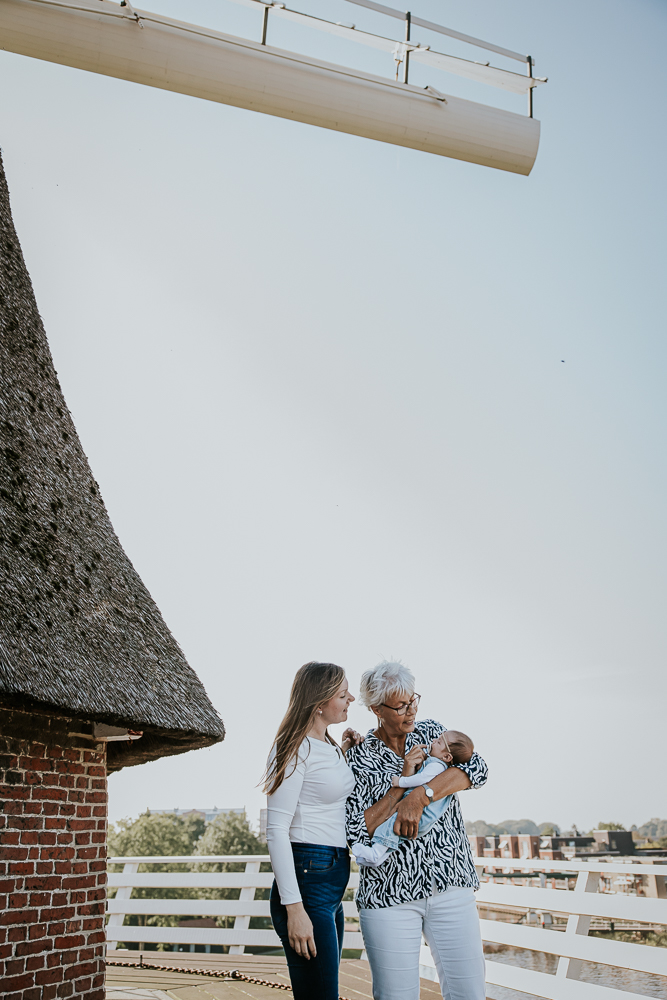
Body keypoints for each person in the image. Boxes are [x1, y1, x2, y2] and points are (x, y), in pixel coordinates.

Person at [345, 661, 488, 1000]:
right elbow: (355, 828)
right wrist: (399, 795)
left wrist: (421, 797)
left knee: (469, 994)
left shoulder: (432, 732)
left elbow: (478, 769)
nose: (411, 711)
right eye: (400, 706)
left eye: (414, 700)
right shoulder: (359, 758)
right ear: (376, 709)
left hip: (450, 883)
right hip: (388, 896)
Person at [264, 661, 362, 1000]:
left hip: (331, 881)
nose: (351, 697)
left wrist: (344, 752)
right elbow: (276, 829)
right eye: (341, 693)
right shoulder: (293, 748)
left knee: (323, 992)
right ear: (318, 702)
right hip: (309, 882)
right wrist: (294, 909)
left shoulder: (327, 746)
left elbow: (323, 794)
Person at [352, 730, 474, 867]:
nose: (433, 740)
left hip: (422, 815)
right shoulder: (438, 765)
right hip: (425, 820)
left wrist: (401, 781)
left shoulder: (436, 765)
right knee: (394, 835)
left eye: (438, 742)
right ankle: (379, 856)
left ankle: (375, 853)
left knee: (390, 824)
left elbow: (421, 779)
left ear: (446, 756)